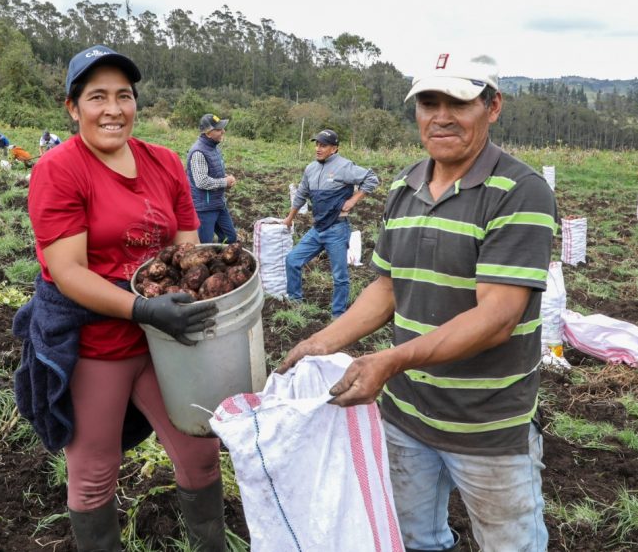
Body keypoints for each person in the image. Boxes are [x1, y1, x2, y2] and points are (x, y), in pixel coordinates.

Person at [278, 53, 557, 551]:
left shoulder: (519, 191)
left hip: (487, 426)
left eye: (459, 102)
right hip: (406, 415)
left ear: (493, 107)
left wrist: (390, 359)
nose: (441, 115)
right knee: (413, 539)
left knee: (510, 545)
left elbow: (498, 317)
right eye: (429, 101)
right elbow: (388, 287)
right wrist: (319, 343)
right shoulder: (403, 186)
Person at [14, 45, 225, 552]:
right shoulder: (60, 169)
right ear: (73, 106)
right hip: (97, 342)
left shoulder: (166, 162)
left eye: (124, 96)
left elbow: (185, 250)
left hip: (163, 341)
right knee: (93, 471)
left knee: (200, 453)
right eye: (97, 97)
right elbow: (67, 272)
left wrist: (197, 291)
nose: (113, 109)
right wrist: (139, 307)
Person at [282, 129, 378, 319]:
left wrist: (353, 200)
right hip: (318, 229)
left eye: (323, 145)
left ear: (334, 149)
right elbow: (301, 194)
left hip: (337, 229)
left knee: (340, 276)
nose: (318, 148)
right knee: (292, 260)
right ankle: (295, 303)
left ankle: (338, 314)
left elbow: (371, 178)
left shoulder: (344, 166)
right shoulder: (311, 168)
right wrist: (289, 218)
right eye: (317, 144)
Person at [186, 113, 238, 245]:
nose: (223, 131)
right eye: (219, 129)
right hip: (204, 208)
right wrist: (224, 182)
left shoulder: (214, 147)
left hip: (218, 203)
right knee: (204, 245)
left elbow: (212, 172)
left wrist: (225, 178)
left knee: (230, 238)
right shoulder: (198, 152)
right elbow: (201, 181)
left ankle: (221, 262)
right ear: (208, 133)